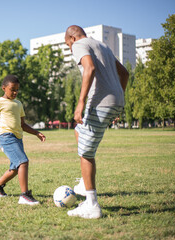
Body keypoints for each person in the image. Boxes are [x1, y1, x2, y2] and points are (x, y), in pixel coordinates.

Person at [64, 25, 129, 218]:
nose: (70, 49)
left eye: (68, 45)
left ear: (72, 38)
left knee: (86, 153)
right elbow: (124, 73)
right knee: (79, 130)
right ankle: (85, 183)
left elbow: (89, 68)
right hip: (116, 101)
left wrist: (80, 102)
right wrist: (117, 100)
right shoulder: (103, 46)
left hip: (99, 103)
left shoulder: (79, 44)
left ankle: (91, 204)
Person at [0, 74, 46, 205]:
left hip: (18, 138)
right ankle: (25, 195)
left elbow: (22, 125)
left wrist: (36, 133)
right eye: (12, 89)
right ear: (4, 88)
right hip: (5, 137)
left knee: (16, 167)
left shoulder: (18, 104)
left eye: (17, 90)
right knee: (23, 162)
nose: (15, 92)